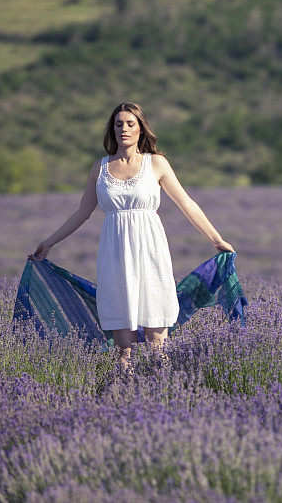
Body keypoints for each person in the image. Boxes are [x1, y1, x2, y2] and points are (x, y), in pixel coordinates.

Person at [30, 102, 235, 372]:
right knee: (122, 343)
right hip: (114, 253)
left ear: (141, 129)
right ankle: (122, 394)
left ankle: (164, 391)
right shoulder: (100, 168)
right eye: (118, 124)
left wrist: (216, 240)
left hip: (150, 249)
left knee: (157, 337)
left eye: (130, 124)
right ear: (111, 129)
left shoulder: (156, 163)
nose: (123, 129)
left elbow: (187, 203)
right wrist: (49, 242)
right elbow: (82, 213)